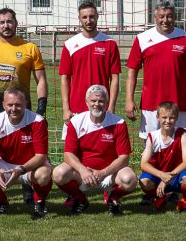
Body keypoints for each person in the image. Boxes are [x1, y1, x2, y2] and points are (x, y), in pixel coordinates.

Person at [53, 85, 137, 215]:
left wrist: (103, 172)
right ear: (86, 102)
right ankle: (80, 199)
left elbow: (124, 158)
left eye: (101, 101)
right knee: (58, 173)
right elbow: (68, 154)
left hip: (109, 174)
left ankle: (113, 198)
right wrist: (83, 170)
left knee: (130, 179)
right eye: (93, 101)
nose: (97, 104)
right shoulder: (76, 121)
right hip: (83, 175)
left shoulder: (119, 123)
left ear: (107, 103)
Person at [125, 2, 186, 138]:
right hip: (151, 104)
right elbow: (132, 71)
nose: (165, 20)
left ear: (175, 17)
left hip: (179, 103)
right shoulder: (142, 39)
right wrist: (129, 99)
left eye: (169, 16)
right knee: (150, 148)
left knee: (179, 147)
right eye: (161, 16)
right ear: (155, 18)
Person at [0, 87, 52, 219]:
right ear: (3, 105)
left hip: (30, 166)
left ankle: (39, 202)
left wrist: (20, 170)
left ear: (26, 104)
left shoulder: (37, 121)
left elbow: (41, 156)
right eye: (10, 105)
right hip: (5, 164)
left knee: (44, 174)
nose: (14, 109)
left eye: (18, 105)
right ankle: (2, 201)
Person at [59, 2, 121, 129]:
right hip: (76, 107)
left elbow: (115, 78)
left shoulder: (109, 44)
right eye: (85, 17)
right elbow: (65, 78)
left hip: (101, 106)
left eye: (92, 16)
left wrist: (111, 106)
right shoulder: (70, 44)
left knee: (102, 146)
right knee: (73, 147)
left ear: (97, 16)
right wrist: (66, 108)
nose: (88, 21)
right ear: (79, 18)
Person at [138, 101, 186, 211]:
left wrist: (167, 178)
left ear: (176, 118)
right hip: (159, 176)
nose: (167, 121)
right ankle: (159, 197)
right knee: (144, 181)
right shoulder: (152, 136)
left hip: (177, 175)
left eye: (171, 118)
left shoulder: (182, 134)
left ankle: (185, 200)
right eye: (164, 117)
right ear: (158, 118)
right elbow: (143, 164)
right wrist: (161, 175)